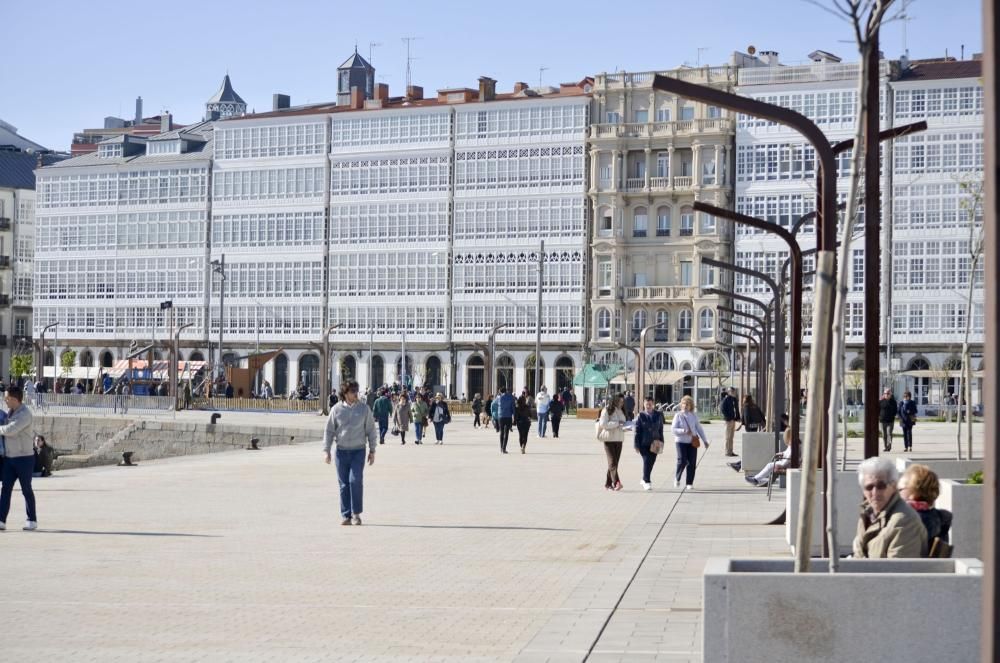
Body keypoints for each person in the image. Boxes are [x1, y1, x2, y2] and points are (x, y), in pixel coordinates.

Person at [323, 381, 377, 526]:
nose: (355, 393)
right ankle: (345, 515)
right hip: (341, 451)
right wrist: (326, 450)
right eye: (353, 391)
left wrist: (372, 450)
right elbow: (329, 431)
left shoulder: (364, 409)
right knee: (343, 484)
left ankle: (356, 514)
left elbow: (371, 430)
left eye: (356, 390)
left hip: (358, 451)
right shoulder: (336, 409)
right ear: (345, 393)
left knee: (355, 481)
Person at [852, 456, 927, 558]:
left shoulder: (904, 520)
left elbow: (898, 569)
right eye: (869, 487)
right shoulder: (867, 514)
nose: (875, 492)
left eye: (881, 486)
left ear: (893, 486)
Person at [0, 387, 37, 530]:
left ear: (15, 399)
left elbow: (10, 430)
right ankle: (1, 520)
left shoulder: (25, 414)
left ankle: (32, 520)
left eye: (7, 398)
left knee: (26, 489)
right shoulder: (9, 412)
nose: (5, 400)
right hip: (9, 458)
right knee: (6, 489)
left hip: (24, 458)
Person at [898, 464, 952, 549]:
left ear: (913, 494)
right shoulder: (938, 518)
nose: (897, 493)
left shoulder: (908, 519)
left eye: (900, 489)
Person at [671, 395, 710, 490]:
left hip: (692, 442)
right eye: (684, 404)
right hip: (680, 442)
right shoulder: (678, 415)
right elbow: (673, 429)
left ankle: (689, 483)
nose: (685, 406)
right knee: (682, 460)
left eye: (687, 404)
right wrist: (683, 431)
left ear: (691, 406)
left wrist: (705, 440)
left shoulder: (693, 415)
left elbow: (699, 428)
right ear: (681, 405)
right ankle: (677, 477)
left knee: (692, 463)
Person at [634, 397, 665, 491]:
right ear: (644, 404)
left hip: (655, 443)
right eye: (646, 404)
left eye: (650, 404)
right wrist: (636, 445)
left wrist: (662, 442)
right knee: (647, 461)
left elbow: (660, 430)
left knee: (651, 462)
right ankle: (647, 481)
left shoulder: (658, 415)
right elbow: (637, 431)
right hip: (644, 443)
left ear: (653, 404)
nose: (648, 406)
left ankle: (644, 478)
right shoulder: (640, 415)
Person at [597, 394, 627, 490]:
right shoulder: (607, 410)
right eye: (619, 401)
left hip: (619, 440)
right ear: (614, 401)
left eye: (622, 402)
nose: (621, 404)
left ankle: (608, 484)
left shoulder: (621, 411)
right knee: (612, 462)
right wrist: (617, 423)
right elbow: (603, 424)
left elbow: (623, 424)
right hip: (609, 440)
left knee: (614, 463)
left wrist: (627, 426)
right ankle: (617, 483)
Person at [721, 387, 740, 457]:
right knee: (728, 437)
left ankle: (731, 451)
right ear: (729, 392)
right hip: (728, 420)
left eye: (734, 391)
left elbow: (736, 409)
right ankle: (727, 451)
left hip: (733, 420)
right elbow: (723, 409)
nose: (734, 393)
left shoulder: (734, 400)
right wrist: (728, 417)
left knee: (731, 437)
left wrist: (738, 417)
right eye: (732, 392)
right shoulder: (726, 399)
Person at [495, 387, 515, 454]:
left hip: (500, 416)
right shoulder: (511, 397)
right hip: (508, 416)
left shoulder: (498, 397)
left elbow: (495, 404)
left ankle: (501, 448)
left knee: (501, 432)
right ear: (506, 391)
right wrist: (513, 415)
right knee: (506, 433)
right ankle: (504, 448)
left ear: (500, 391)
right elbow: (513, 407)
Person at [878, 388, 898, 452]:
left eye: (888, 393)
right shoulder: (881, 401)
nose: (886, 395)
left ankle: (889, 446)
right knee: (884, 435)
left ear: (890, 394)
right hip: (882, 421)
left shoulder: (893, 402)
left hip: (890, 421)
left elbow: (895, 410)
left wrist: (893, 415)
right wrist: (879, 416)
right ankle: (885, 447)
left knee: (889, 433)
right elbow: (877, 410)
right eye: (885, 393)